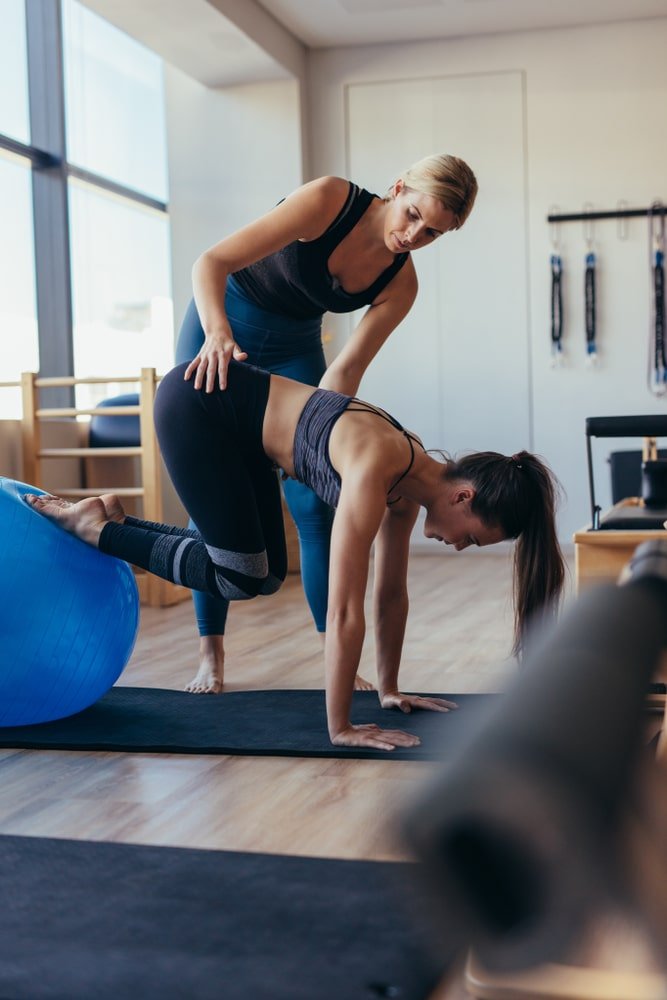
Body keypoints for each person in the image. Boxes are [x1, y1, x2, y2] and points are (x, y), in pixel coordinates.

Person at [27, 360, 565, 751]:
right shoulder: (377, 466)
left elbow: (390, 595)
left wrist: (390, 689)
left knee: (263, 576)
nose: (461, 546)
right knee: (240, 576)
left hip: (238, 433)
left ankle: (114, 522)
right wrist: (340, 726)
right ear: (464, 497)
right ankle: (98, 529)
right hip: (198, 405)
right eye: (473, 538)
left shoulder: (408, 482)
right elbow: (344, 608)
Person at [175, 154, 478, 694]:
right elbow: (210, 263)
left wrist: (314, 446)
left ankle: (331, 653)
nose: (413, 237)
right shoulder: (329, 199)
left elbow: (345, 374)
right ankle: (210, 654)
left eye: (433, 233)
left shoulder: (400, 285)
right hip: (223, 324)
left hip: (295, 353)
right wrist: (217, 333)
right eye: (413, 215)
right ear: (398, 187)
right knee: (215, 497)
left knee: (316, 505)